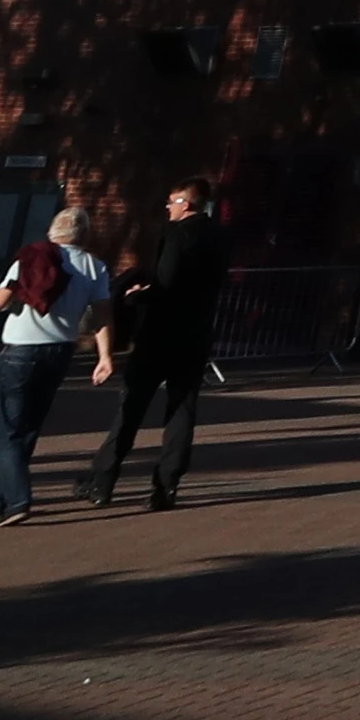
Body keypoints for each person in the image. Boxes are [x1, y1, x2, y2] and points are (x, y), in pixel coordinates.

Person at [86, 181, 230, 508]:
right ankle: (166, 485)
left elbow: (165, 283)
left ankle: (103, 480)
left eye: (171, 201)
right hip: (196, 333)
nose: (168, 207)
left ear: (186, 203)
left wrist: (137, 295)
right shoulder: (221, 236)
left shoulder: (177, 234)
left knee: (132, 404)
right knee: (182, 408)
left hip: (161, 332)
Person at [0, 205, 106, 524]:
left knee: (7, 430)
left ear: (53, 230)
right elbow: (102, 316)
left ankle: (19, 499)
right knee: (28, 427)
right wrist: (104, 356)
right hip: (60, 350)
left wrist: (7, 291)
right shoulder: (95, 267)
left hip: (20, 350)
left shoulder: (31, 258)